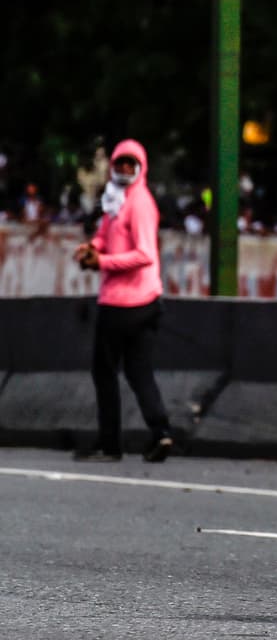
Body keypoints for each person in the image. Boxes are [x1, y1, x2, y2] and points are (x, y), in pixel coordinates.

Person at [72, 139, 174, 463]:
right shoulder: (116, 198)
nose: (125, 170)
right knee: (138, 370)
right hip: (140, 303)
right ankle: (161, 433)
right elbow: (107, 235)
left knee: (104, 371)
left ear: (141, 167)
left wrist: (103, 263)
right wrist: (93, 248)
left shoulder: (140, 202)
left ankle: (110, 443)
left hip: (124, 302)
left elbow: (145, 254)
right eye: (120, 164)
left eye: (131, 164)